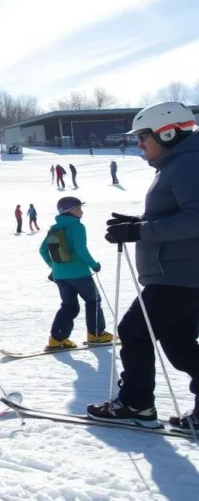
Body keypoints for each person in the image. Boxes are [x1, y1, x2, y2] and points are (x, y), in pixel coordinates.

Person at [89, 102, 199, 429]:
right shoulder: (178, 164)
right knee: (178, 345)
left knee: (134, 332)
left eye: (142, 137)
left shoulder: (188, 165)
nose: (138, 144)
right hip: (181, 274)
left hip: (179, 275)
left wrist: (141, 231)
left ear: (168, 133)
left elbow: (196, 218)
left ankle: (136, 405)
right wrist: (140, 222)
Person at [39, 197, 110, 350]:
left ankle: (56, 339)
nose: (81, 211)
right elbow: (81, 250)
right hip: (79, 273)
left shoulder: (54, 228)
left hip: (60, 275)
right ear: (69, 210)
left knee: (69, 306)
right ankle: (96, 335)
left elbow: (43, 250)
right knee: (93, 301)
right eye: (78, 208)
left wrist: (53, 267)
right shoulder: (77, 226)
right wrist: (94, 265)